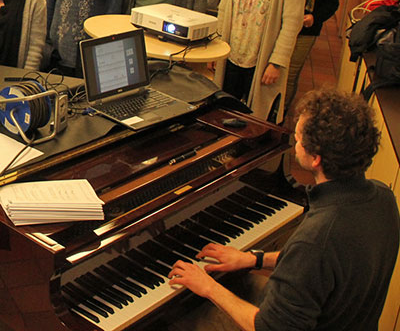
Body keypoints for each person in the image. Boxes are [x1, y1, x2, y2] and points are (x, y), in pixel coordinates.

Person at [168, 88, 399, 331]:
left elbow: (269, 326)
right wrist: (253, 259)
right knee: (242, 282)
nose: (295, 142)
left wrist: (209, 287)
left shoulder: (316, 238)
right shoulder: (383, 196)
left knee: (181, 318)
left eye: (298, 138)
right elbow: (320, 265)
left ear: (316, 158)